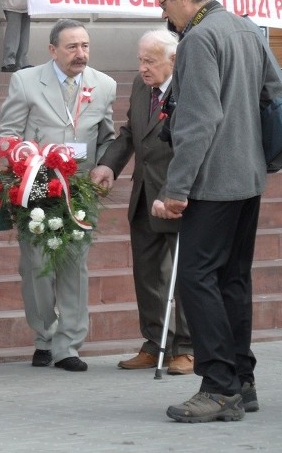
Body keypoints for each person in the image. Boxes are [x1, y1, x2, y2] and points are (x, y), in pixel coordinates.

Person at [152, 0, 282, 423]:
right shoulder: (248, 29)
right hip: (248, 177)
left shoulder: (199, 39)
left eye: (165, 4)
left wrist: (177, 187)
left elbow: (198, 120)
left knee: (196, 277)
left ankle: (219, 386)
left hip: (212, 180)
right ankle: (241, 380)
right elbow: (276, 92)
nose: (167, 17)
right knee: (233, 279)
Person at [0, 19, 116, 372]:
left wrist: (106, 166)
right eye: (71, 47)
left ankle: (68, 345)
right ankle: (44, 336)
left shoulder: (104, 85)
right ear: (52, 50)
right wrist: (24, 160)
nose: (80, 54)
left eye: (85, 46)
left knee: (74, 265)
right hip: (35, 183)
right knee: (36, 265)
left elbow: (108, 137)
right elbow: (8, 133)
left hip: (79, 187)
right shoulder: (26, 80)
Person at [91, 30, 194, 375]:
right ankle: (155, 342)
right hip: (144, 193)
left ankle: (187, 348)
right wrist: (108, 164)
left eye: (150, 61)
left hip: (179, 195)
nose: (143, 67)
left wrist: (179, 190)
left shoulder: (189, 88)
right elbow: (131, 133)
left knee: (183, 275)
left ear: (173, 61)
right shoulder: (140, 86)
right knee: (148, 273)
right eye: (140, 60)